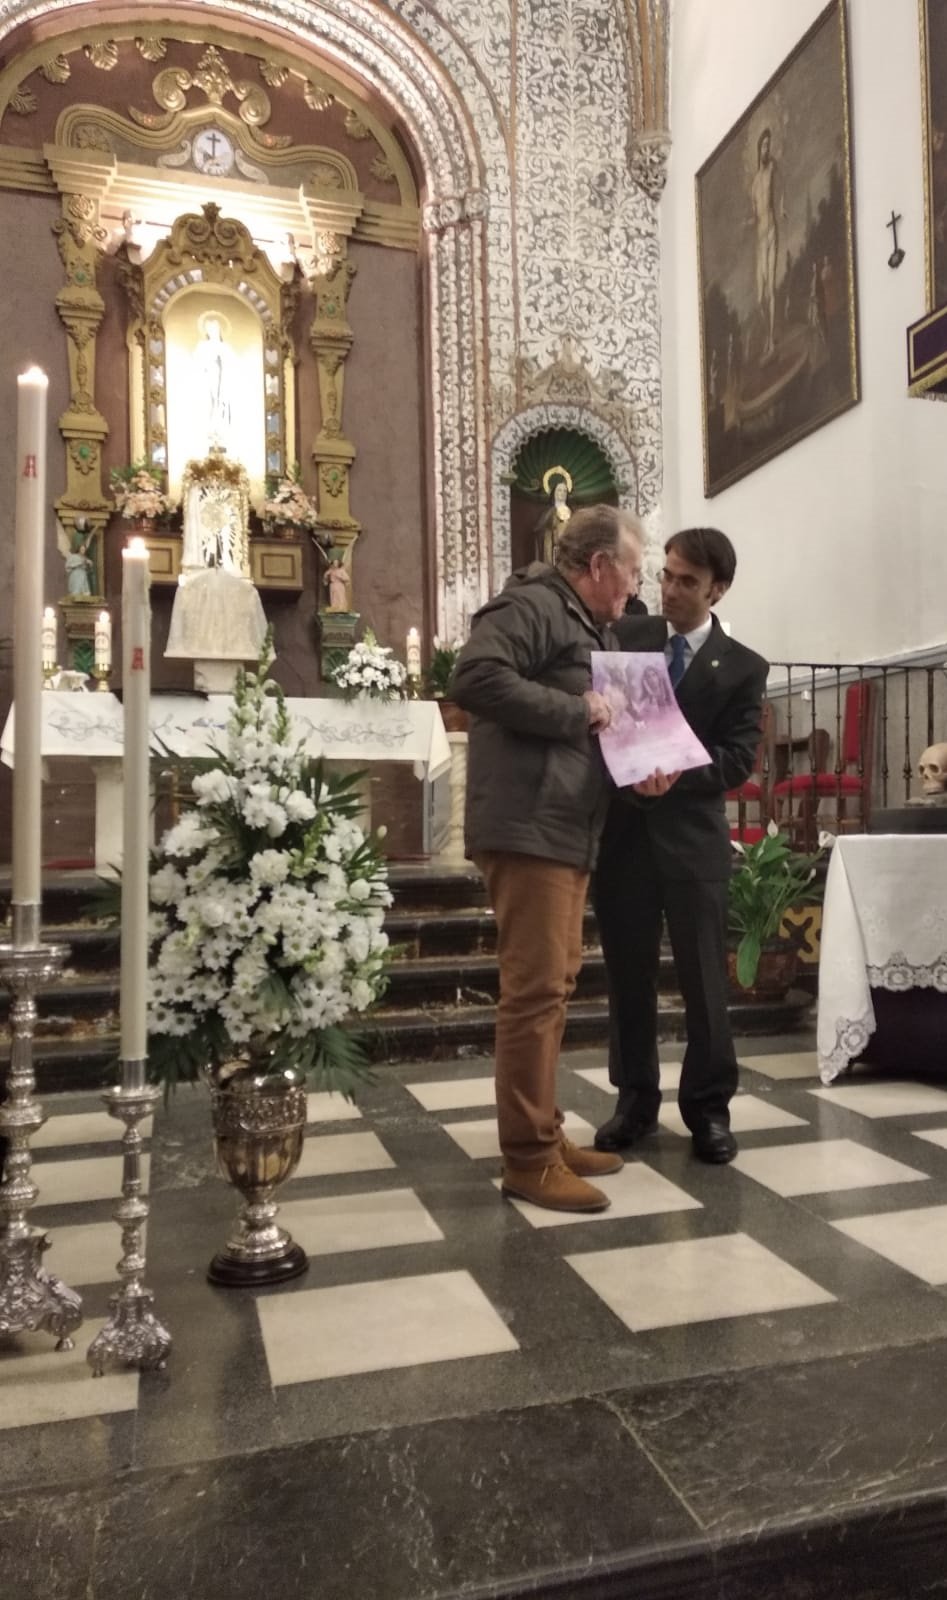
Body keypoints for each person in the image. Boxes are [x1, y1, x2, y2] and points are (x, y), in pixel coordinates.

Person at [450, 505, 645, 1214]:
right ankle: (529, 1160)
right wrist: (577, 712)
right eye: (631, 571)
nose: (635, 586)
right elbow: (474, 677)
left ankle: (546, 1135)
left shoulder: (588, 624)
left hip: (564, 825)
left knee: (551, 989)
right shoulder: (533, 604)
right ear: (598, 565)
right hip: (529, 824)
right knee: (534, 993)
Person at [593, 527, 768, 1166]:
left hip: (693, 842)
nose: (668, 589)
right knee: (628, 979)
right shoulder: (625, 638)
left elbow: (737, 759)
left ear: (717, 589)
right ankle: (634, 1103)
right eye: (665, 574)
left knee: (704, 984)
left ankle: (709, 1110)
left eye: (686, 581)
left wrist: (673, 771)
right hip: (626, 838)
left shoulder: (743, 666)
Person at [751, 127, 785, 361]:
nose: (767, 149)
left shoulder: (773, 168)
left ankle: (772, 340)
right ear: (758, 150)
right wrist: (748, 222)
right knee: (759, 299)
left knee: (771, 289)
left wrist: (782, 206)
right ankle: (768, 335)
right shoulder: (754, 184)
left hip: (772, 231)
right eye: (764, 146)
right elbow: (755, 214)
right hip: (760, 238)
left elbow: (782, 186)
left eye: (769, 145)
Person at [194, 314, 235, 450]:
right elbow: (197, 364)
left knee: (221, 405)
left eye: (215, 329)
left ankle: (221, 434)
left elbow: (232, 365)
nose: (213, 331)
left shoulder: (225, 347)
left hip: (223, 380)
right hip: (208, 378)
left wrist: (221, 359)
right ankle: (210, 434)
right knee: (209, 404)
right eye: (210, 329)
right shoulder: (202, 346)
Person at [65, 522, 95, 596]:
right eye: (81, 549)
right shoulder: (74, 557)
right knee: (76, 590)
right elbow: (68, 566)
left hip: (83, 575)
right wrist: (81, 563)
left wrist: (90, 565)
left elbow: (89, 571)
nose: (83, 550)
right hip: (76, 575)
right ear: (78, 549)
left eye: (84, 549)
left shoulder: (85, 558)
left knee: (84, 591)